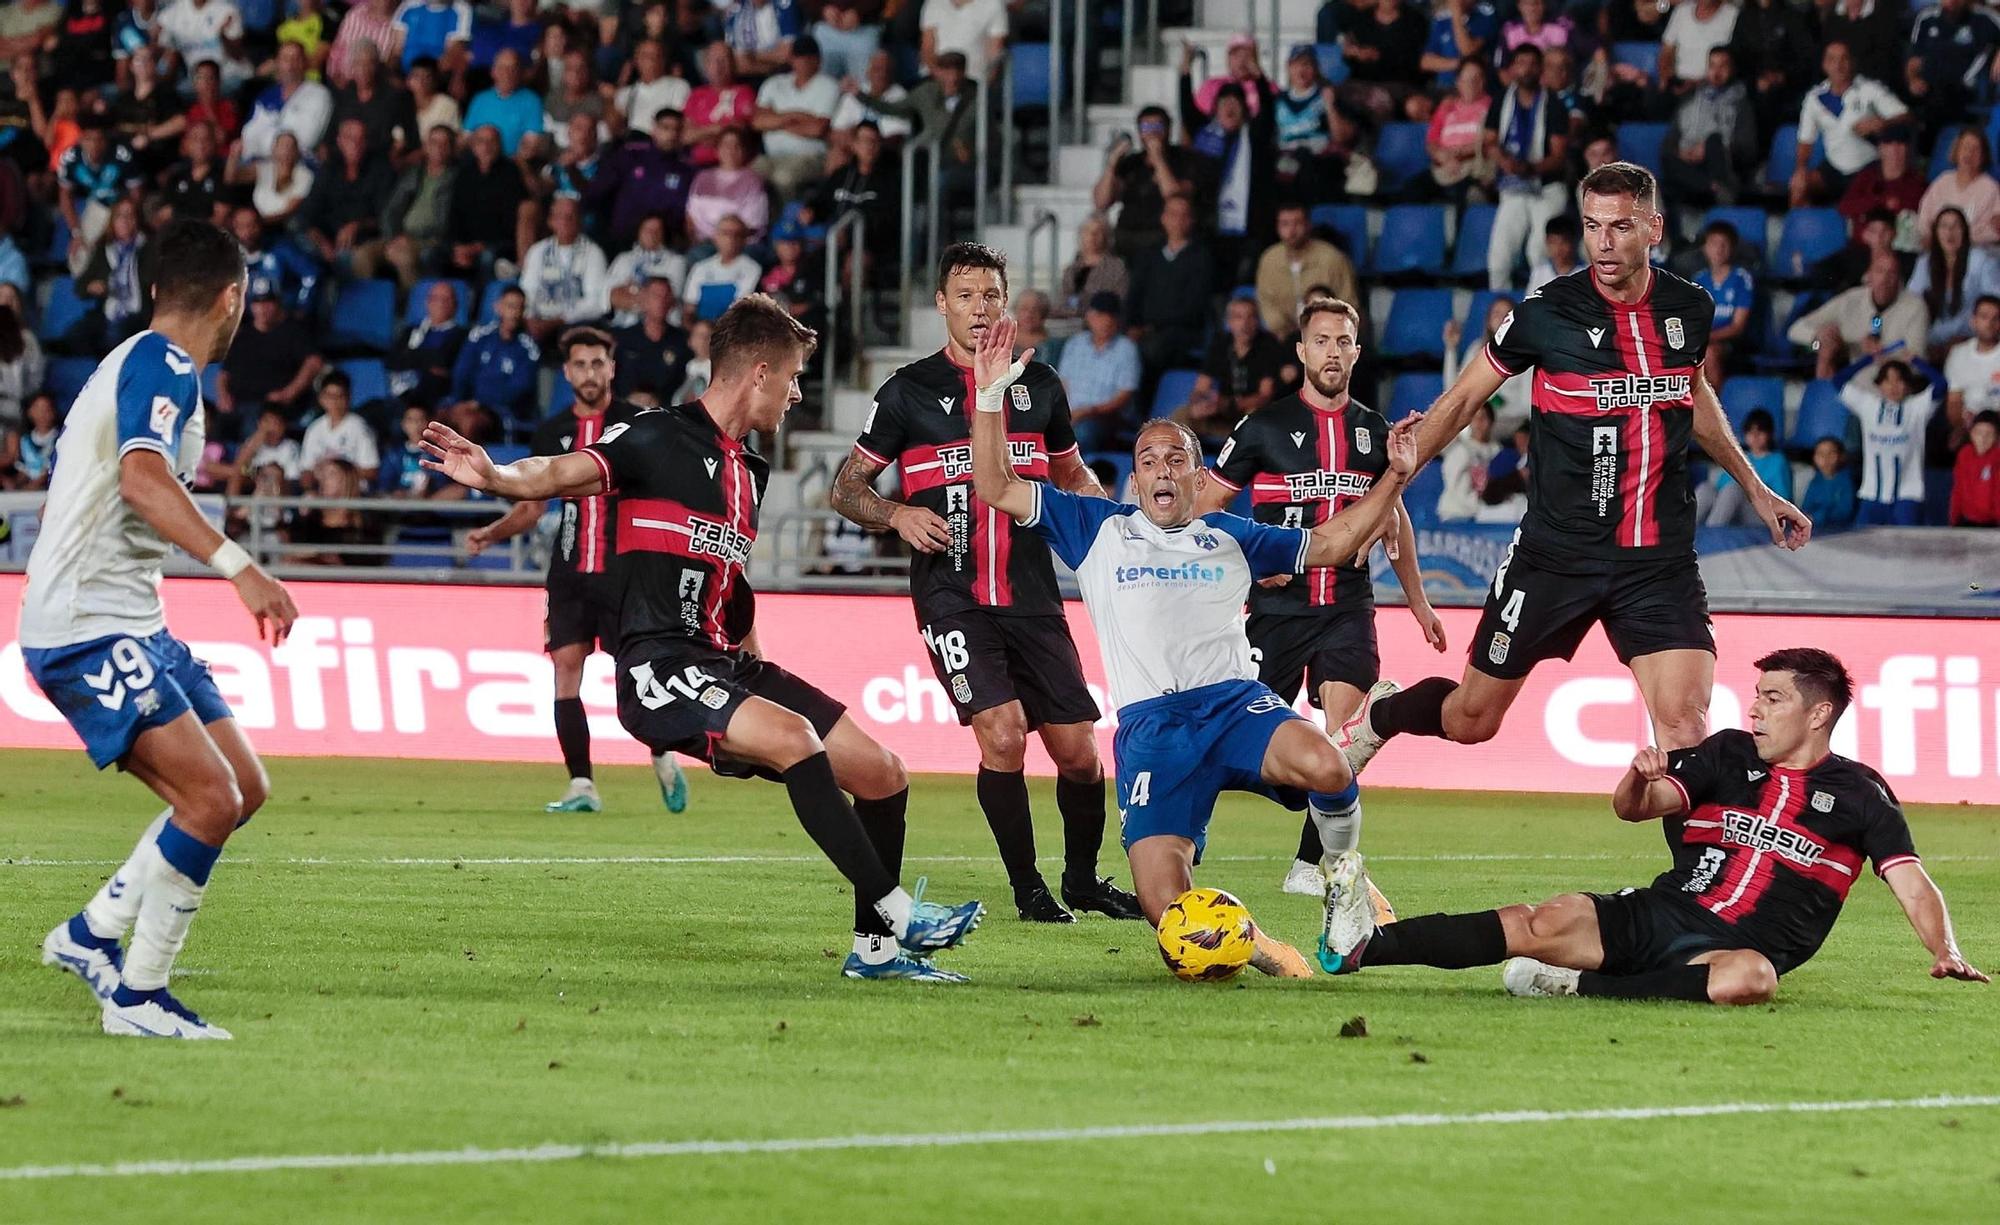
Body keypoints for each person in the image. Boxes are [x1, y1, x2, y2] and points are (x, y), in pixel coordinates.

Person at [421, 295, 987, 981]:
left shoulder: (752, 472)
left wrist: (760, 671)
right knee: (795, 741)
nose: (798, 393)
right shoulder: (654, 436)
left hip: (728, 663)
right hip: (657, 664)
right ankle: (897, 913)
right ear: (758, 372)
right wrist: (495, 474)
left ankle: (873, 952)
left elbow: (733, 587)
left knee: (884, 773)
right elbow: (558, 472)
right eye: (795, 377)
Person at [969, 313, 1424, 977]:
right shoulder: (1097, 528)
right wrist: (988, 399)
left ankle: (1344, 887)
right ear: (1133, 480)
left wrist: (1396, 478)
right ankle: (1255, 940)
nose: (1161, 469)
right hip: (1154, 729)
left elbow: (1332, 543)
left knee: (1329, 768)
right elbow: (996, 484)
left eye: (1176, 458)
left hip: (1234, 704)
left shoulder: (1229, 533)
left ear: (1196, 474)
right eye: (1147, 460)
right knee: (1166, 910)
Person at [1338, 163, 1811, 786]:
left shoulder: (1690, 308)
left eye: (1620, 227)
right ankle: (1383, 712)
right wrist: (1384, 493)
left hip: (1658, 560)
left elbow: (1692, 397)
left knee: (1684, 732)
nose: (1604, 243)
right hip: (1556, 554)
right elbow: (1459, 403)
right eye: (1593, 227)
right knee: (1472, 719)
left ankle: (1697, 886)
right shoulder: (1548, 313)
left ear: (1654, 229)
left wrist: (1757, 488)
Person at [1320, 650, 1987, 1002]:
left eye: (1773, 699)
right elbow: (1635, 807)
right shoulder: (1725, 752)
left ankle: (1579, 985)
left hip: (1736, 950)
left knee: (1752, 980)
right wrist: (1638, 776)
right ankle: (1363, 947)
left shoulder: (1863, 794)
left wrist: (1945, 948)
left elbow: (1911, 881)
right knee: (1540, 921)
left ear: (1818, 715)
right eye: (1756, 697)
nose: (1755, 709)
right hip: (1667, 910)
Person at [28, 217, 299, 1040]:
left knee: (243, 788)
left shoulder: (140, 363)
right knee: (209, 797)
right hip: (86, 624)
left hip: (135, 618)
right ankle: (138, 995)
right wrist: (239, 565)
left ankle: (89, 934)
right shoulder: (165, 361)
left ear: (154, 287)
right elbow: (141, 476)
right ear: (233, 298)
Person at [830, 244, 1141, 924]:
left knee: (1080, 752)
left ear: (1006, 304)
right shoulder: (907, 391)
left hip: (1033, 595)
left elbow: (1071, 476)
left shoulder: (1043, 387)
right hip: (953, 594)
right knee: (1002, 734)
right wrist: (896, 510)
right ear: (942, 304)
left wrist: (1120, 528)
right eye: (965, 295)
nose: (979, 308)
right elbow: (845, 486)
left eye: (990, 295)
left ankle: (1084, 880)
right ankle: (1029, 888)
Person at [1199, 296, 1444, 896]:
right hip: (1277, 612)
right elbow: (1204, 509)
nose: (1333, 352)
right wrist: (1251, 565)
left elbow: (1395, 521)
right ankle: (1181, 837)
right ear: (1302, 351)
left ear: (1357, 353)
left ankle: (1315, 867)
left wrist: (1419, 602)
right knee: (1237, 742)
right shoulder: (1261, 426)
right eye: (1322, 342)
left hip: (1347, 608)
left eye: (1343, 342)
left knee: (1348, 739)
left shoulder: (1375, 433)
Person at [462, 326, 691, 814]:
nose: (589, 373)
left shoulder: (637, 423)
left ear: (611, 368)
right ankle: (582, 785)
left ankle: (661, 751)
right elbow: (530, 506)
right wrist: (492, 533)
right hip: (569, 574)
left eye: (597, 363)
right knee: (566, 670)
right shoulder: (551, 432)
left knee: (639, 675)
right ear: (567, 373)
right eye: (580, 365)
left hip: (627, 572)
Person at [1485, 44, 1570, 290]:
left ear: (1541, 69)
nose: (1527, 69)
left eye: (1533, 63)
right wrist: (1504, 161)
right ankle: (1499, 317)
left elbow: (1558, 156)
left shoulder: (1554, 103)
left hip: (1547, 187)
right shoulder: (1502, 99)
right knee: (1499, 256)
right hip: (1513, 186)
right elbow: (1489, 141)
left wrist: (1529, 168)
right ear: (1512, 68)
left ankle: (1540, 313)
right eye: (1521, 63)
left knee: (1539, 253)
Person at [1790, 41, 1908, 208]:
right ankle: (1799, 231)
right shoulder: (1814, 98)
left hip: (1868, 168)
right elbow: (1805, 141)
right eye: (1832, 60)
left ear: (1852, 62)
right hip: (1833, 168)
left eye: (1844, 59)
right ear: (1825, 65)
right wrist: (1800, 170)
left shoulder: (1870, 89)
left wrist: (1881, 123)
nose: (1838, 65)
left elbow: (1906, 116)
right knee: (1799, 186)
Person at [1836, 353, 1942, 526]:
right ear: (1879, 384)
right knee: (1861, 549)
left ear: (1908, 385)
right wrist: (1868, 359)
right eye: (1887, 380)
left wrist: (1916, 361)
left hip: (1907, 496)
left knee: (1906, 549)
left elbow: (1941, 384)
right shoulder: (1867, 405)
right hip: (1871, 494)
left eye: (1899, 380)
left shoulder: (1917, 408)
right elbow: (1838, 380)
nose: (1893, 386)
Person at [1788, 252, 1931, 380]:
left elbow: (1918, 365)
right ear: (1869, 276)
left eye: (1891, 273)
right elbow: (1794, 330)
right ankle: (1823, 391)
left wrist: (1883, 356)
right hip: (1851, 381)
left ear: (1900, 280)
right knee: (1823, 344)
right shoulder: (1850, 299)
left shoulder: (1915, 307)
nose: (1885, 279)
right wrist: (1818, 336)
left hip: (1896, 384)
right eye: (1880, 271)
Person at [1178, 292, 1286, 450]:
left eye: (1251, 317)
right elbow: (1200, 387)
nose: (1245, 324)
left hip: (1246, 412)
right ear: (1229, 322)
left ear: (1258, 321)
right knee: (1182, 414)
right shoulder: (1220, 343)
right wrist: (1201, 402)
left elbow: (1265, 395)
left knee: (1255, 415)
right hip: (1221, 412)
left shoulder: (1268, 345)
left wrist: (1228, 404)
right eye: (1238, 317)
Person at [1661, 47, 1758, 208]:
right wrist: (1683, 153)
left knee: (1713, 140)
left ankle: (1719, 189)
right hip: (1691, 169)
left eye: (1723, 66)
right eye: (1712, 66)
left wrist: (1708, 149)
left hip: (1723, 165)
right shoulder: (1690, 99)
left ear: (1732, 69)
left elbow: (1748, 149)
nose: (1717, 72)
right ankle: (1710, 186)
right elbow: (1671, 140)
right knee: (1667, 157)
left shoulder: (1742, 103)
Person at [448, 285, 541, 440]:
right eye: (511, 306)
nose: (515, 313)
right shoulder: (479, 337)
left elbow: (518, 389)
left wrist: (479, 403)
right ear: (498, 307)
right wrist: (461, 402)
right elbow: (461, 373)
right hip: (469, 405)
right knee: (435, 419)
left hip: (503, 412)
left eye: (520, 308)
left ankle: (470, 464)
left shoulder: (529, 347)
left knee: (468, 423)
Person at [1255, 201, 1359, 339]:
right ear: (1277, 227)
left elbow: (1348, 304)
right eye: (1285, 224)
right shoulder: (1269, 260)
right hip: (1282, 338)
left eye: (1297, 223)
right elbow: (1266, 303)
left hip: (1328, 338)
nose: (1291, 231)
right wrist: (1286, 332)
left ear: (1308, 225)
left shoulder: (1332, 259)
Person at [1056, 291, 1143, 453]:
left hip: (1106, 418)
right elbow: (1062, 384)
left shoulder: (1126, 348)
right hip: (1072, 414)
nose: (1106, 321)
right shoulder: (1076, 343)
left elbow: (1123, 397)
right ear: (1089, 317)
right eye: (1100, 315)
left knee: (1082, 434)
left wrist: (1086, 412)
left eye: (1111, 316)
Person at [519, 196, 610, 346]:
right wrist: (530, 319)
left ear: (580, 221)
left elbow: (595, 303)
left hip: (574, 323)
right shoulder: (538, 251)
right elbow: (528, 290)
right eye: (559, 216)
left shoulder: (593, 253)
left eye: (570, 217)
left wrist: (559, 320)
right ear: (550, 221)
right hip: (539, 320)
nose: (565, 222)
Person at [1909, 208, 2000, 354]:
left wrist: (1969, 335)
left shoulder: (1981, 260)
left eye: (1956, 226)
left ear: (1965, 231)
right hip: (1930, 343)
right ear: (1935, 232)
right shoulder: (1924, 263)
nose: (1949, 232)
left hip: (1972, 339)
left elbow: (1993, 303)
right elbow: (1911, 302)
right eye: (1943, 226)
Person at [1702, 408, 1788, 525]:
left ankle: (1712, 533)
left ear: (1769, 434)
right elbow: (1720, 486)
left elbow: (1782, 499)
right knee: (1706, 489)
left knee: (1734, 490)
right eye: (1750, 431)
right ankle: (1683, 536)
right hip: (1734, 510)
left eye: (1760, 431)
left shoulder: (1777, 461)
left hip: (1762, 515)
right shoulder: (1740, 458)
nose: (1755, 436)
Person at [1917, 128, 2000, 249]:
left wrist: (1959, 240)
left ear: (1983, 156)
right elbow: (1924, 217)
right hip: (1938, 249)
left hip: (1975, 250)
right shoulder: (1943, 181)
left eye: (1975, 149)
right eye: (1965, 147)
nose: (1969, 154)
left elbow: (1995, 230)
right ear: (1957, 151)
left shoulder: (1991, 188)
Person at [298, 369, 380, 487]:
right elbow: (305, 471)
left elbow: (371, 471)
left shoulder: (359, 427)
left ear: (349, 397)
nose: (334, 401)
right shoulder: (314, 429)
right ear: (321, 398)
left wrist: (337, 471)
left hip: (352, 493)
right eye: (330, 396)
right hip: (323, 494)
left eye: (339, 396)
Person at [1693, 220, 1755, 375]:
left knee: (1709, 354)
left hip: (1731, 342)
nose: (1719, 250)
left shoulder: (1741, 278)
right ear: (1705, 248)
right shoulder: (1698, 280)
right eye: (1714, 244)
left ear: (1732, 248)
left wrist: (1707, 338)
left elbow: (1737, 327)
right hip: (1703, 340)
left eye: (1724, 244)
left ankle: (1715, 399)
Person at [1945, 294, 2000, 424]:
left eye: (1996, 318)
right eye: (1984, 317)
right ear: (1973, 321)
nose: (1989, 324)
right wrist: (1961, 428)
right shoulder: (1958, 353)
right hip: (1967, 427)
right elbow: (1953, 401)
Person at [1950, 410, 2000, 526]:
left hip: (1991, 523)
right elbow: (1958, 489)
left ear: (1996, 437)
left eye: (1989, 434)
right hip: (1966, 521)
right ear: (1971, 433)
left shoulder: (1997, 458)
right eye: (1978, 433)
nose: (1983, 439)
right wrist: (1954, 519)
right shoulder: (1964, 455)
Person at [1799, 436, 1857, 532]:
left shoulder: (1847, 481)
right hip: (1816, 530)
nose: (1825, 458)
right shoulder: (1815, 481)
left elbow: (1845, 512)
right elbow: (1806, 507)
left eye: (1831, 453)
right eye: (1820, 454)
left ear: (1841, 456)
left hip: (1840, 531)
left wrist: (1817, 517)